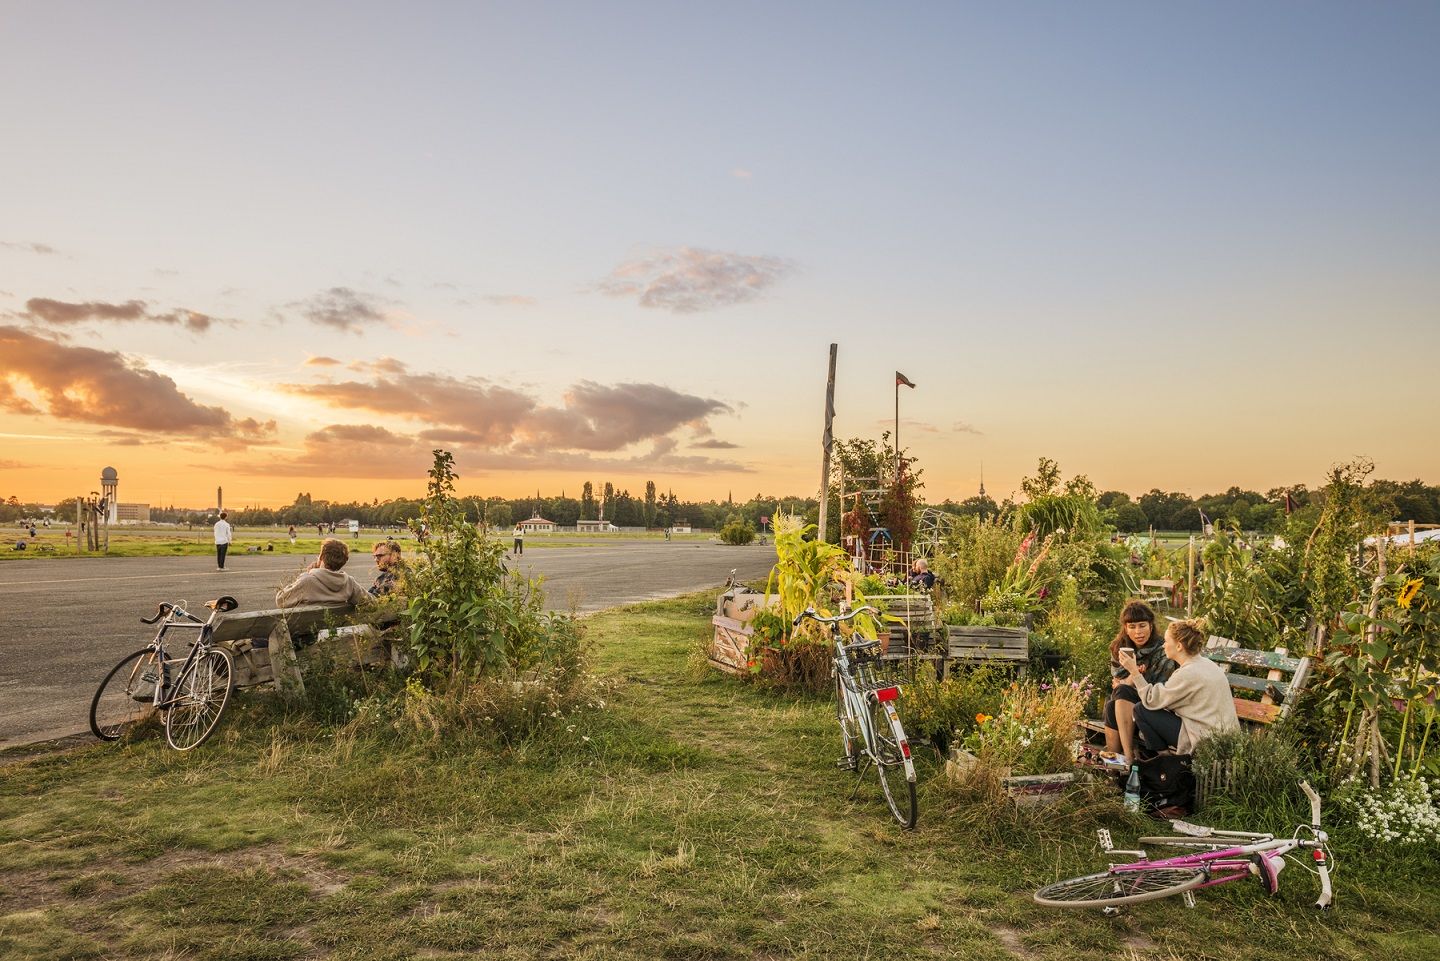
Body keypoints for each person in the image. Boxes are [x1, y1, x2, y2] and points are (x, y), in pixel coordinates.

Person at [1118, 619, 1241, 754]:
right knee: (1137, 705)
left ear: (1179, 646)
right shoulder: (1207, 664)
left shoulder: (1187, 673)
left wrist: (1134, 672)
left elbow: (1151, 700)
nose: (1163, 645)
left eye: (1166, 641)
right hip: (1223, 737)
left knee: (1141, 710)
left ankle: (1166, 762)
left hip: (1205, 741)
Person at [1102, 600, 1175, 765]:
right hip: (1127, 704)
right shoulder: (1119, 648)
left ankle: (1126, 759)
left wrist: (1131, 679)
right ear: (1126, 629)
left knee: (1120, 693)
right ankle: (1115, 765)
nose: (1138, 632)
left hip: (1155, 705)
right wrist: (1133, 675)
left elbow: (1160, 688)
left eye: (1142, 625)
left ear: (1151, 625)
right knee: (1113, 703)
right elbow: (1118, 680)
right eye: (1132, 627)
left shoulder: (1162, 650)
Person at [276, 538, 369, 608]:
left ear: (321, 557)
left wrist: (306, 574)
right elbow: (370, 602)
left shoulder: (307, 581)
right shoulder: (349, 582)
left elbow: (280, 601)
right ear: (343, 562)